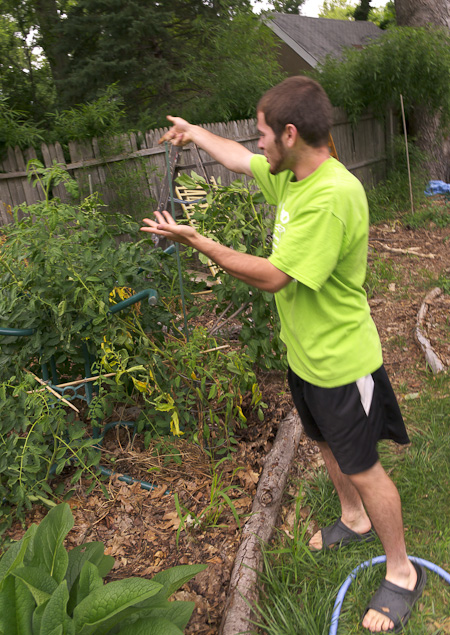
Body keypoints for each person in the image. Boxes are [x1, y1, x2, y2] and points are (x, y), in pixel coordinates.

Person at [141, 76, 426, 633]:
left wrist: (199, 242)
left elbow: (273, 277)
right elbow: (238, 162)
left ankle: (401, 573)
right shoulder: (293, 176)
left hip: (342, 363)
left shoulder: (331, 197)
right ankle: (352, 520)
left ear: (290, 134)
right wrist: (196, 133)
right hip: (306, 358)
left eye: (263, 134)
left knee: (364, 468)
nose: (257, 144)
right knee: (323, 445)